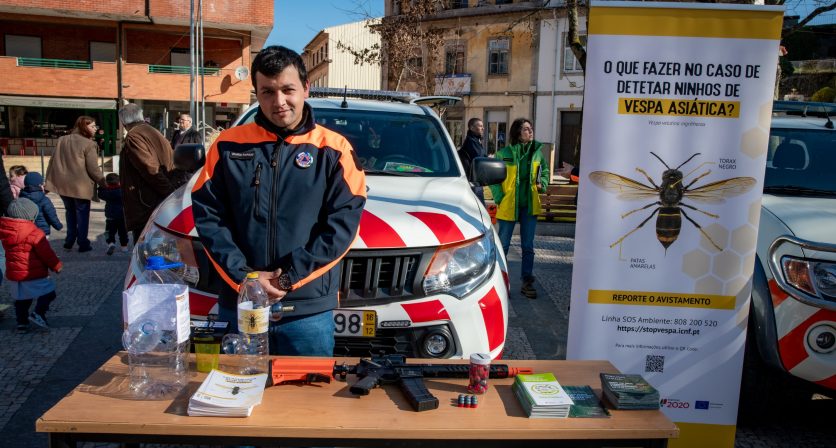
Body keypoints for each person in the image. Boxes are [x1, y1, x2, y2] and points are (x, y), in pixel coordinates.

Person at [191, 45, 367, 356]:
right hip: (242, 303)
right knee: (235, 394)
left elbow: (342, 227)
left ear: (305, 88)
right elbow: (209, 217)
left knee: (308, 401)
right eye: (268, 92)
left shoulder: (335, 149)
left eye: (288, 90)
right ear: (256, 92)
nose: (279, 101)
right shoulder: (227, 145)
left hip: (307, 311)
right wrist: (245, 278)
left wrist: (287, 278)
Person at [489, 118, 550, 299]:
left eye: (531, 129)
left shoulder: (538, 153)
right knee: (503, 245)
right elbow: (494, 178)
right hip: (509, 205)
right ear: (517, 132)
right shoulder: (503, 154)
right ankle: (499, 282)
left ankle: (527, 282)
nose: (530, 132)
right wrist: (500, 197)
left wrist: (543, 184)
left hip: (529, 206)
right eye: (525, 129)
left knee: (528, 246)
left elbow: (545, 172)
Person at [0, 198, 62, 334]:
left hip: (15, 274)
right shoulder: (35, 233)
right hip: (33, 273)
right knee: (49, 293)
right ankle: (38, 313)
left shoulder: (5, 232)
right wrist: (56, 266)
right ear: (31, 216)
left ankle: (21, 323)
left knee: (22, 299)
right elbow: (47, 254)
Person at [44, 116, 105, 253]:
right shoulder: (89, 144)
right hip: (80, 187)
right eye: (92, 126)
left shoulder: (62, 140)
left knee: (70, 213)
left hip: (63, 185)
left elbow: (51, 162)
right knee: (82, 215)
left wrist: (48, 183)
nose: (95, 129)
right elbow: (93, 169)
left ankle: (69, 240)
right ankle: (83, 243)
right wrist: (103, 182)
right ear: (84, 127)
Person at [118, 103, 176, 244]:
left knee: (146, 249)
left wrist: (170, 193)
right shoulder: (153, 131)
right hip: (155, 199)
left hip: (146, 203)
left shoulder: (134, 136)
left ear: (123, 121)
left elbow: (150, 169)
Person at [19, 172, 63, 238]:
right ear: (40, 185)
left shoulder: (21, 199)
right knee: (42, 247)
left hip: (26, 231)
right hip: (42, 232)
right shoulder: (44, 199)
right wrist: (58, 226)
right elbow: (51, 215)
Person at [97, 173, 130, 255]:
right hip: (122, 215)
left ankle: (111, 243)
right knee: (123, 232)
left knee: (109, 232)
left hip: (110, 216)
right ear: (118, 182)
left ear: (107, 182)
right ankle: (124, 246)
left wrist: (101, 187)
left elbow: (100, 194)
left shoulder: (106, 192)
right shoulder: (122, 191)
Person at [458, 118, 486, 205]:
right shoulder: (471, 142)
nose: (483, 128)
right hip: (473, 184)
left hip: (476, 183)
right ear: (472, 128)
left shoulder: (476, 141)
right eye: (480, 126)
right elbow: (480, 161)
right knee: (480, 210)